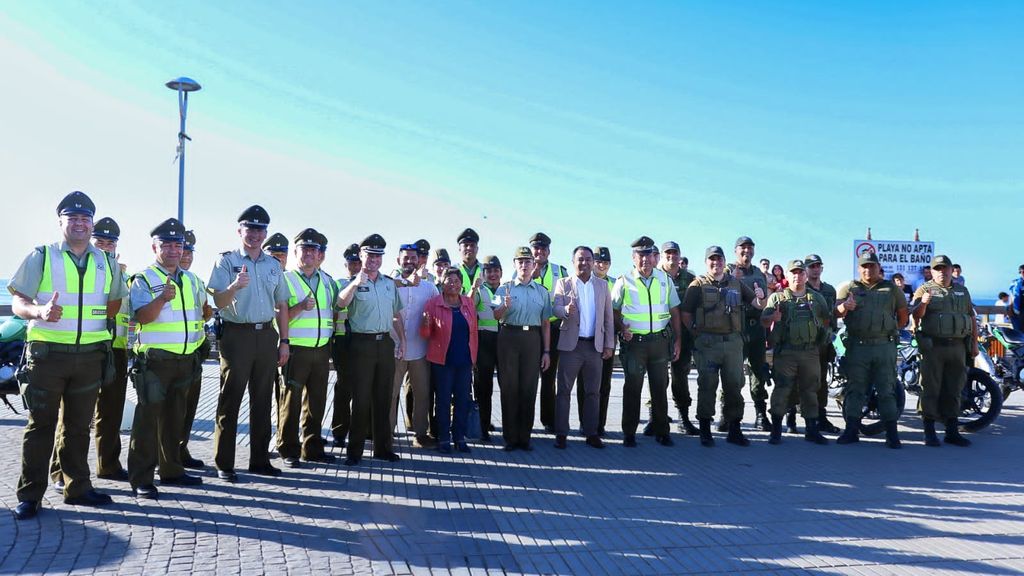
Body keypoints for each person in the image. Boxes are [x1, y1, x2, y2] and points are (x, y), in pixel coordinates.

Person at [9, 191, 130, 520]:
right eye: (72, 218)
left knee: (78, 426)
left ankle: (77, 488)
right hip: (48, 356)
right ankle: (30, 495)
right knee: (41, 426)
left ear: (91, 223)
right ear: (60, 221)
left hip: (90, 356)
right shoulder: (43, 256)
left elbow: (115, 301)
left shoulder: (106, 261)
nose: (79, 223)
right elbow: (18, 301)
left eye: (85, 218)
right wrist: (38, 311)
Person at [208, 205, 290, 482]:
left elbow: (282, 304)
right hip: (236, 335)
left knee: (263, 400)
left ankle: (259, 461)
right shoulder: (225, 261)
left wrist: (284, 341)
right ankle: (225, 463)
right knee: (230, 400)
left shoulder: (273, 265)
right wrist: (234, 286)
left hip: (266, 335)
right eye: (250, 229)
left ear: (265, 233)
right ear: (239, 230)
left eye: (260, 230)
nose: (255, 234)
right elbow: (216, 302)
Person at [127, 218, 206, 499]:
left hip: (185, 360)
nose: (174, 250)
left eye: (178, 244)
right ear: (154, 247)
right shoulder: (145, 279)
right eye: (167, 244)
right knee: (147, 422)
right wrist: (161, 299)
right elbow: (142, 318)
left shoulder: (193, 279)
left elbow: (203, 313)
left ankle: (171, 471)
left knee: (175, 420)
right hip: (155, 362)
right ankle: (141, 479)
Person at [49, 216, 130, 491]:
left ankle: (108, 464)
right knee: (71, 415)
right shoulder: (83, 266)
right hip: (84, 347)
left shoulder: (122, 274)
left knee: (111, 411)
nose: (106, 247)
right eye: (101, 241)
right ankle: (61, 471)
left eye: (111, 243)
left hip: (115, 348)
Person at [681, 245, 762, 447]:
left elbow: (757, 304)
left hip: (733, 343)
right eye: (712, 259)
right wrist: (695, 332)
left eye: (719, 259)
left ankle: (734, 428)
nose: (716, 263)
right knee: (707, 385)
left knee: (734, 386)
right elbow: (685, 312)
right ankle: (706, 430)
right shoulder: (697, 285)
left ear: (725, 262)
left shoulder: (736, 283)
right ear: (706, 262)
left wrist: (761, 296)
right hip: (708, 344)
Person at [335, 234, 406, 466]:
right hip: (360, 345)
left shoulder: (388, 283)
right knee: (361, 398)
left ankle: (383, 448)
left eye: (378, 256)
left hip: (384, 343)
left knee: (383, 398)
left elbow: (396, 314)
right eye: (370, 255)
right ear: (361, 256)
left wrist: (402, 341)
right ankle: (354, 452)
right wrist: (356, 283)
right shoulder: (352, 282)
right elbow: (341, 303)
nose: (374, 260)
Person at [835, 252, 909, 448]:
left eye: (872, 266)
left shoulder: (891, 289)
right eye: (864, 266)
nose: (868, 270)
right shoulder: (851, 288)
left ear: (878, 267)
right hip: (858, 347)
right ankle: (851, 430)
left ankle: (892, 434)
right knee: (855, 390)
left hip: (884, 347)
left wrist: (887, 332)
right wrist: (844, 306)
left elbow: (903, 317)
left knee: (886, 390)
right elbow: (834, 312)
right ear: (859, 269)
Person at [276, 229, 337, 468]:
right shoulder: (286, 279)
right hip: (296, 350)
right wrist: (300, 307)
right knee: (290, 401)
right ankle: (288, 448)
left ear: (320, 255)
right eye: (305, 249)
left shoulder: (328, 281)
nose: (309, 254)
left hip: (321, 350)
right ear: (295, 252)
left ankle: (312, 447)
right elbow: (278, 318)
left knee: (317, 401)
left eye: (314, 250)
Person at [613, 237, 682, 447]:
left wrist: (678, 339)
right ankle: (629, 433)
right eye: (640, 255)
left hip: (659, 343)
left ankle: (662, 431)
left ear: (654, 257)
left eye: (648, 255)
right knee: (633, 388)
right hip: (635, 344)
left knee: (660, 388)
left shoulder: (664, 280)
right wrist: (622, 328)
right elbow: (613, 310)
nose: (645, 260)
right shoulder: (624, 280)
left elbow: (674, 310)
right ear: (634, 258)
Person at [762, 260, 831, 445]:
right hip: (786, 353)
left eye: (800, 272)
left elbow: (825, 320)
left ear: (805, 275)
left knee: (810, 391)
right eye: (793, 272)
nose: (797, 276)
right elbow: (764, 321)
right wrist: (772, 317)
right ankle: (776, 430)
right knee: (782, 390)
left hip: (810, 352)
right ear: (787, 275)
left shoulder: (817, 298)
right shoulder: (777, 298)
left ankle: (811, 430)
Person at [911, 255, 977, 447]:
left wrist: (973, 343)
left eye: (944, 268)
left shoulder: (962, 291)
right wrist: (923, 303)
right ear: (932, 271)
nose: (942, 272)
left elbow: (971, 318)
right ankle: (929, 431)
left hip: (957, 346)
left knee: (954, 388)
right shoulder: (925, 289)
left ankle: (952, 431)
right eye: (937, 269)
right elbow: (915, 316)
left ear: (951, 270)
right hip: (934, 347)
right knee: (930, 388)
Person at [553, 246, 615, 449]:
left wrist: (609, 344)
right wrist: (564, 310)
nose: (584, 263)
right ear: (573, 261)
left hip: (593, 346)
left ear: (593, 262)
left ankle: (591, 432)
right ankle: (561, 433)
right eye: (580, 259)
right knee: (563, 391)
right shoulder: (563, 283)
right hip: (572, 346)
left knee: (593, 392)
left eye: (588, 259)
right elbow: (555, 308)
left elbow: (608, 317)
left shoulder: (602, 286)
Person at [495, 246, 552, 451]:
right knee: (509, 388)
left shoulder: (542, 292)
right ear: (515, 264)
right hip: (508, 337)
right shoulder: (504, 288)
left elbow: (546, 323)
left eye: (528, 262)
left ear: (533, 265)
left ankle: (524, 437)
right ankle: (510, 438)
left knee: (529, 388)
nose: (524, 265)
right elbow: (495, 316)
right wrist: (505, 307)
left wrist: (546, 351)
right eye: (520, 261)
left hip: (532, 340)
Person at [421, 268, 478, 453]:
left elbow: (474, 332)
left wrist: (474, 357)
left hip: (464, 360)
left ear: (462, 284)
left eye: (456, 280)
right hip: (442, 361)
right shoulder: (433, 304)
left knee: (462, 400)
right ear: (442, 283)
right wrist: (426, 324)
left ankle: (459, 437)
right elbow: (425, 335)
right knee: (443, 401)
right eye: (448, 280)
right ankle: (444, 438)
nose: (453, 283)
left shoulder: (468, 303)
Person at [391, 243, 438, 449]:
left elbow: (438, 312)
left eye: (413, 258)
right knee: (390, 393)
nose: (410, 261)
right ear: (398, 260)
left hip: (420, 349)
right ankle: (387, 432)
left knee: (422, 392)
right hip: (393, 347)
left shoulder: (429, 287)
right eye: (406, 258)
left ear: (419, 260)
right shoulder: (390, 283)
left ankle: (420, 433)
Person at [651, 240, 698, 436]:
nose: (672, 257)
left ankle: (683, 416)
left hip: (683, 336)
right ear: (661, 256)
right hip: (658, 334)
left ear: (680, 256)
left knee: (681, 376)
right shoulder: (653, 276)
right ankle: (655, 417)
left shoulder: (691, 279)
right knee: (657, 377)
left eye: (675, 254)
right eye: (667, 254)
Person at [178, 229, 213, 469]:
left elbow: (204, 312)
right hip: (170, 354)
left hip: (194, 352)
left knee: (189, 408)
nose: (187, 256)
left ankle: (181, 448)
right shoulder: (159, 278)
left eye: (190, 251)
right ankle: (165, 456)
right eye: (183, 250)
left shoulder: (195, 281)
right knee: (172, 410)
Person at [727, 237, 770, 432]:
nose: (746, 251)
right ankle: (727, 413)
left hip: (756, 328)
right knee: (732, 373)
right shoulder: (728, 271)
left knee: (758, 372)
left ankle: (761, 413)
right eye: (742, 248)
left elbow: (764, 302)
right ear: (735, 250)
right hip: (736, 328)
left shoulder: (760, 274)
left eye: (750, 248)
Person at [528, 232, 567, 433]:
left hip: (554, 328)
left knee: (549, 377)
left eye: (543, 249)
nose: (539, 252)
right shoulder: (523, 269)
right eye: (536, 248)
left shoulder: (560, 270)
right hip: (532, 329)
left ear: (548, 251)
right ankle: (525, 420)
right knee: (529, 377)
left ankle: (548, 420)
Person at [579, 246, 616, 436]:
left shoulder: (615, 284)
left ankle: (599, 423)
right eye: (599, 262)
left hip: (605, 340)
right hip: (586, 341)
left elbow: (614, 315)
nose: (602, 266)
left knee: (605, 384)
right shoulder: (584, 282)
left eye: (606, 263)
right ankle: (584, 422)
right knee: (584, 384)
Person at [803, 254, 841, 434]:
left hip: (824, 342)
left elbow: (832, 315)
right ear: (806, 270)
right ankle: (800, 417)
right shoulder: (801, 289)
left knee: (822, 381)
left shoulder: (829, 290)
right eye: (811, 266)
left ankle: (821, 415)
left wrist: (832, 335)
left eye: (818, 265)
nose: (815, 269)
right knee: (804, 380)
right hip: (806, 343)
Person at [330, 243, 361, 448]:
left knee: (365, 387)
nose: (356, 266)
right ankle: (339, 431)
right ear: (346, 264)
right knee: (344, 388)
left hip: (364, 339)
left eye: (359, 262)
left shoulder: (374, 282)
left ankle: (363, 430)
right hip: (342, 341)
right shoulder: (338, 283)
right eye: (352, 262)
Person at [473, 255, 502, 441]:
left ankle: (511, 427)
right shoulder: (479, 291)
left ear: (501, 272)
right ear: (483, 274)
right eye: (488, 271)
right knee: (483, 387)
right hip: (484, 340)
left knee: (507, 385)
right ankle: (482, 426)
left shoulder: (507, 289)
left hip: (504, 341)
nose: (492, 274)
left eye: (495, 270)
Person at [456, 228, 482, 294]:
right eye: (466, 245)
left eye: (472, 245)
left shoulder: (485, 269)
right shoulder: (453, 270)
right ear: (459, 248)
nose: (469, 248)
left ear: (477, 249)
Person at [1011, 265, 1024, 331]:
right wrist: (1016, 309)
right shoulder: (1016, 283)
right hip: (1020, 310)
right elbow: (1016, 296)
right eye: (1022, 272)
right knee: (1019, 331)